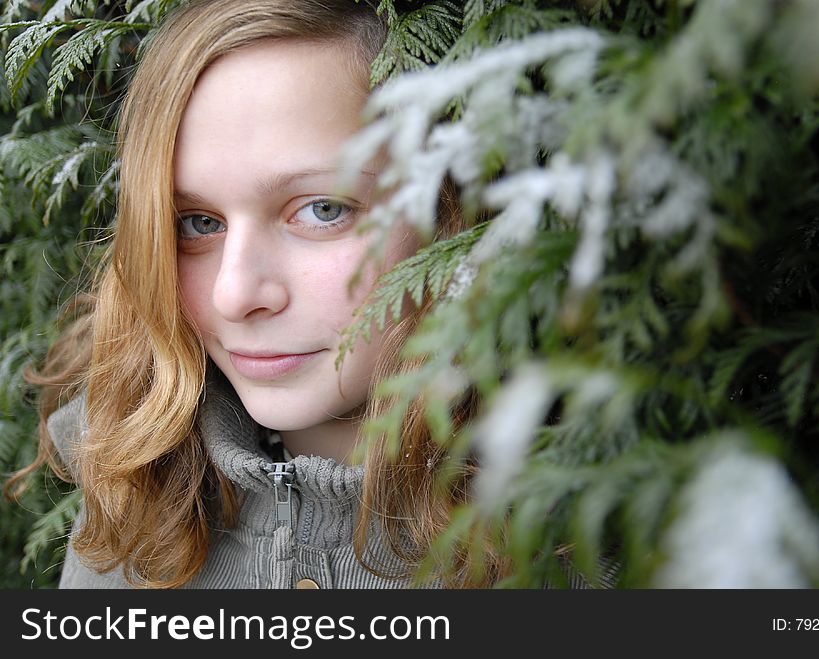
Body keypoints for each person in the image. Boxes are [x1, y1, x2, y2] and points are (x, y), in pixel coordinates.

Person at [8, 0, 617, 589]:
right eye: (197, 223)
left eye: (322, 210)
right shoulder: (133, 500)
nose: (235, 293)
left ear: (461, 214)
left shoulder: (604, 541)